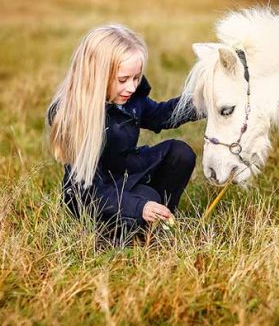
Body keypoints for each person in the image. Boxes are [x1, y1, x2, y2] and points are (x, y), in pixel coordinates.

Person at [47, 24, 199, 240]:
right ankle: (121, 231)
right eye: (123, 80)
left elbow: (160, 115)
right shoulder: (75, 117)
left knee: (180, 153)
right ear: (96, 76)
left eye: (136, 78)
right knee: (147, 196)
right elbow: (87, 193)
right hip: (94, 196)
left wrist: (201, 101)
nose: (131, 87)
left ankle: (155, 219)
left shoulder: (130, 99)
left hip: (128, 172)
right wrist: (139, 206)